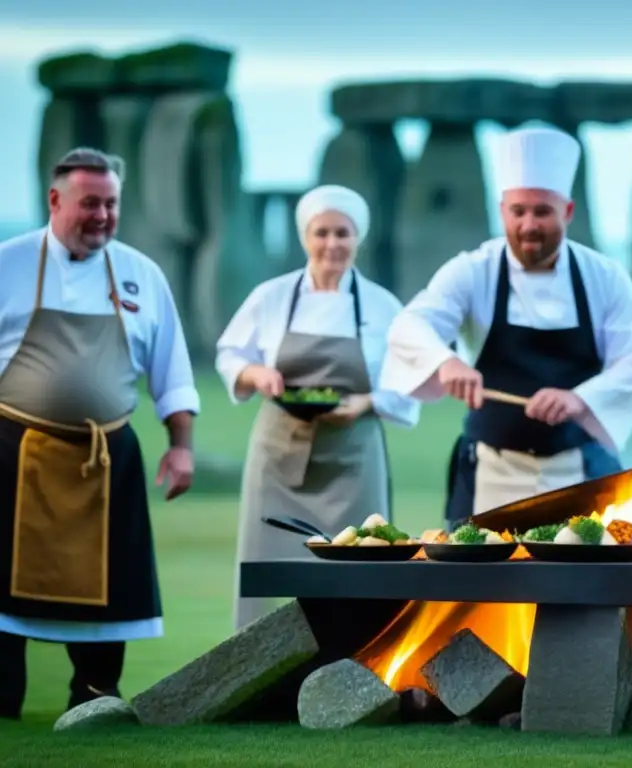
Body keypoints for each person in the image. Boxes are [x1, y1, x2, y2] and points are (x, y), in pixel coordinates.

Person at [0, 148, 200, 719]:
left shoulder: (142, 274)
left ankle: (94, 700)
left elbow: (173, 370)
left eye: (111, 203)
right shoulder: (8, 264)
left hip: (107, 462)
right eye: (90, 203)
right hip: (14, 457)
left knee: (109, 589)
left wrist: (181, 447)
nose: (103, 216)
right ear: (55, 200)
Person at [380, 126, 632, 524]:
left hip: (578, 475)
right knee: (478, 588)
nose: (528, 226)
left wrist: (581, 399)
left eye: (542, 211)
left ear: (568, 211)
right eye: (518, 211)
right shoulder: (473, 271)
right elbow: (411, 324)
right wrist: (446, 361)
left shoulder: (604, 277)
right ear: (502, 209)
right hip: (491, 471)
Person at [216, 184, 420, 631]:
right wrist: (257, 375)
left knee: (361, 572)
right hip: (277, 455)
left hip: (354, 457)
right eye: (321, 232)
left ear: (358, 238)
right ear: (305, 237)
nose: (332, 244)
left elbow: (409, 383)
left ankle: (357, 669)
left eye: (342, 233)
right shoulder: (270, 297)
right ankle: (251, 671)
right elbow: (229, 353)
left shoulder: (384, 307)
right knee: (265, 569)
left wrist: (367, 401)